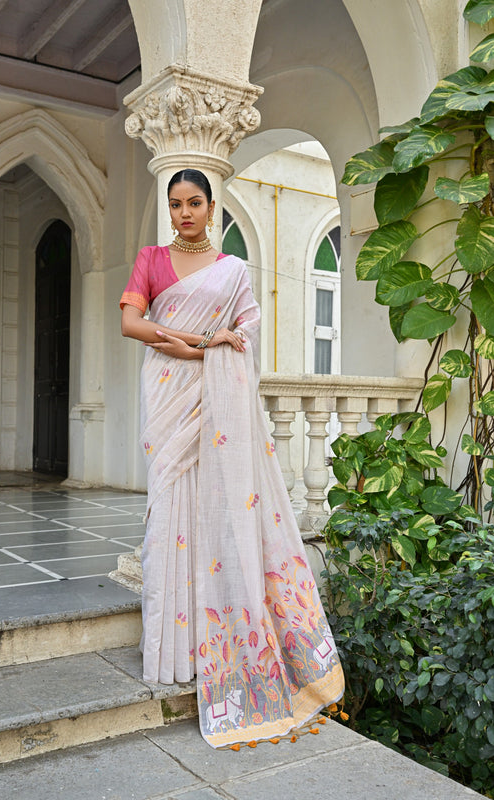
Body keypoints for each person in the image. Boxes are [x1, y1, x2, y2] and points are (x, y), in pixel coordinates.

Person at [120, 168, 344, 749]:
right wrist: (198, 343)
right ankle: (170, 650)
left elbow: (243, 337)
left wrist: (194, 343)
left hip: (214, 404)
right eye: (176, 204)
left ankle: (216, 642)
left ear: (212, 206)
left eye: (194, 202)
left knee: (214, 514)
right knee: (171, 510)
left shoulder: (234, 272)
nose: (184, 213)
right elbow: (131, 324)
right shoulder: (150, 259)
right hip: (169, 395)